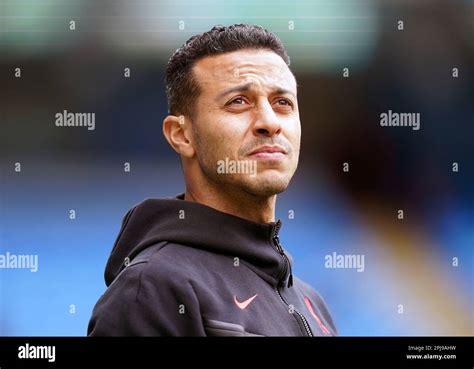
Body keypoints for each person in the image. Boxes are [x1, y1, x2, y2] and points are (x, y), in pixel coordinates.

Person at [88, 24, 337, 336]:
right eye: (238, 102)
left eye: (282, 103)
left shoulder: (312, 304)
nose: (269, 123)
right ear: (182, 135)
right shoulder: (153, 290)